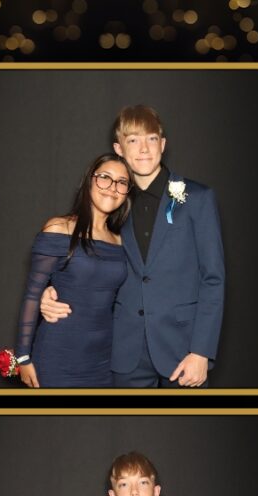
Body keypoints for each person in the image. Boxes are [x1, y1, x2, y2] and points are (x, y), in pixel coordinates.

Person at [39, 105, 225, 389]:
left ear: (162, 145)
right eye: (133, 140)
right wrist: (50, 291)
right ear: (119, 149)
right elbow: (87, 261)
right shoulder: (112, 203)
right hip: (124, 350)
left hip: (184, 349)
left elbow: (213, 278)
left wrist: (201, 351)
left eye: (151, 138)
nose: (144, 149)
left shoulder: (198, 198)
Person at [14, 153, 131, 389]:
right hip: (58, 354)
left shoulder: (121, 240)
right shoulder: (60, 228)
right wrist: (23, 356)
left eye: (122, 182)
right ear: (89, 181)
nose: (112, 187)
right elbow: (32, 294)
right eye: (105, 177)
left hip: (103, 360)